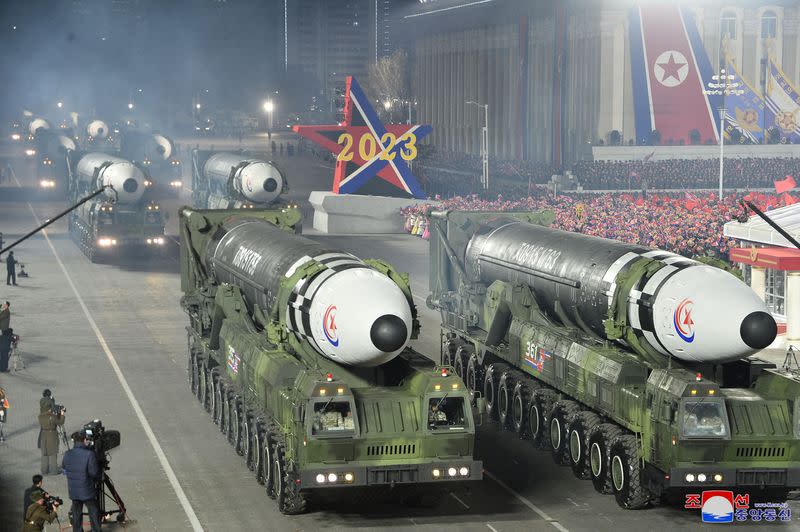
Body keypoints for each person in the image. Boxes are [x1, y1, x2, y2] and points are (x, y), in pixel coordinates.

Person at [62, 431, 101, 531]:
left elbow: (64, 470)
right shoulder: (89, 454)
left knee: (76, 512)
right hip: (87, 490)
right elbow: (93, 473)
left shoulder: (67, 454)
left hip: (73, 490)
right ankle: (96, 530)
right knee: (93, 511)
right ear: (84, 440)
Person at [38, 400, 65, 475]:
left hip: (43, 435)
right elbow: (60, 422)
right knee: (53, 453)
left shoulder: (40, 416)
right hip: (52, 435)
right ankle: (54, 471)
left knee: (45, 453)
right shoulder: (52, 416)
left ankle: (44, 470)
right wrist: (62, 414)